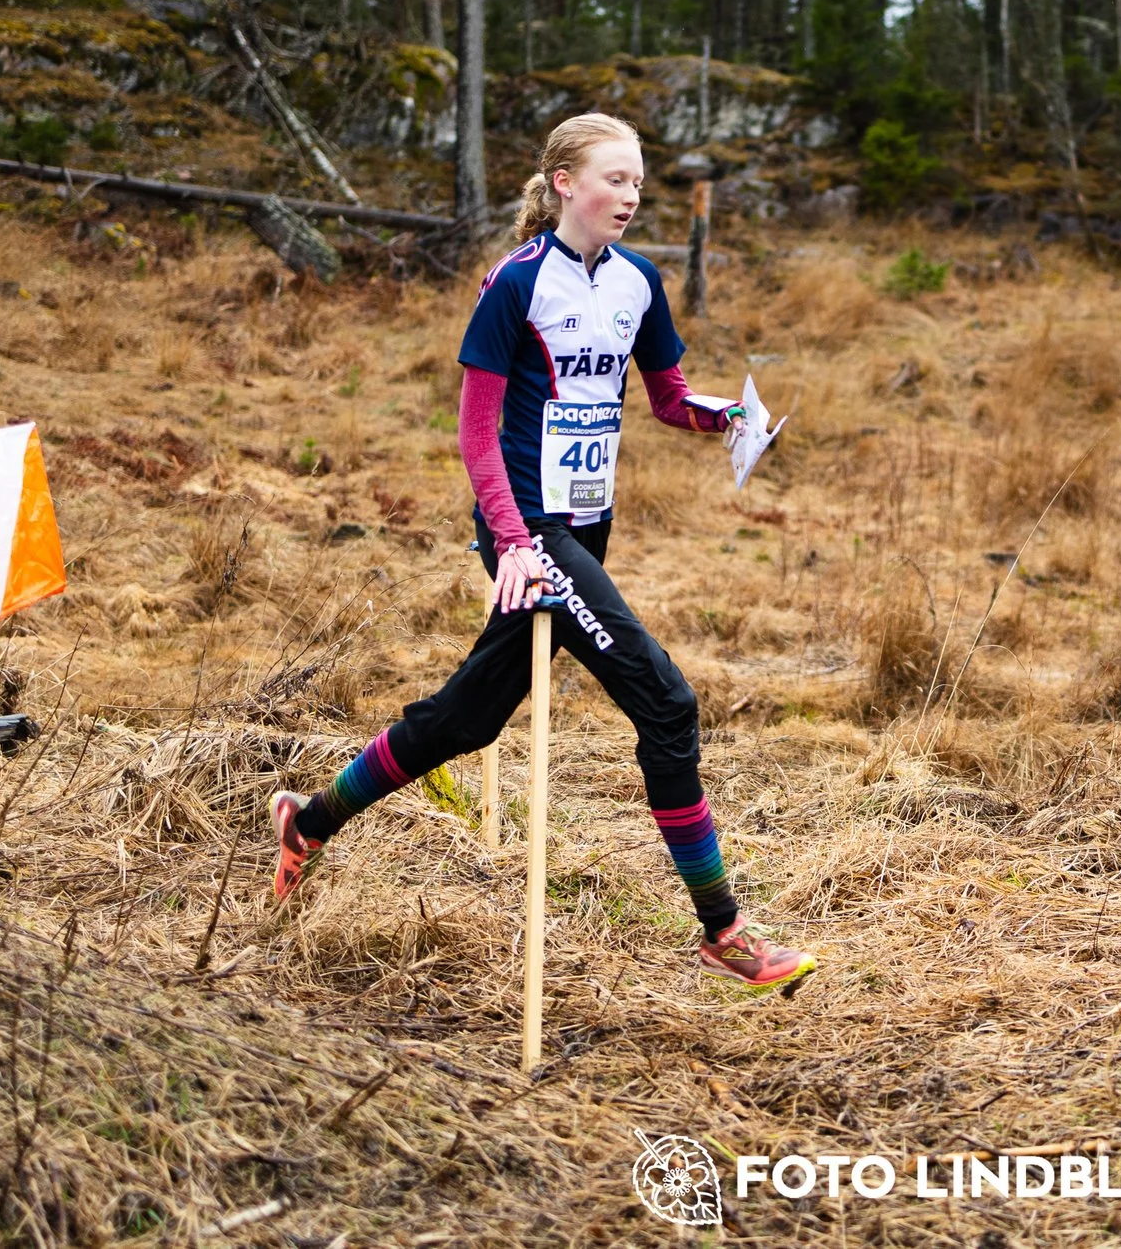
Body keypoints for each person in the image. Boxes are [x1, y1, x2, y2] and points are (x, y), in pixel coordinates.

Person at [268, 112, 817, 996]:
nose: (631, 197)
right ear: (565, 182)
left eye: (639, 182)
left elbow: (669, 398)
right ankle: (725, 930)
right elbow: (475, 431)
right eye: (614, 180)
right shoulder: (515, 285)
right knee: (667, 704)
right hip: (530, 529)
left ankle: (311, 818)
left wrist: (734, 419)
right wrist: (515, 542)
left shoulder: (639, 282)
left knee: (467, 718)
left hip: (584, 530)